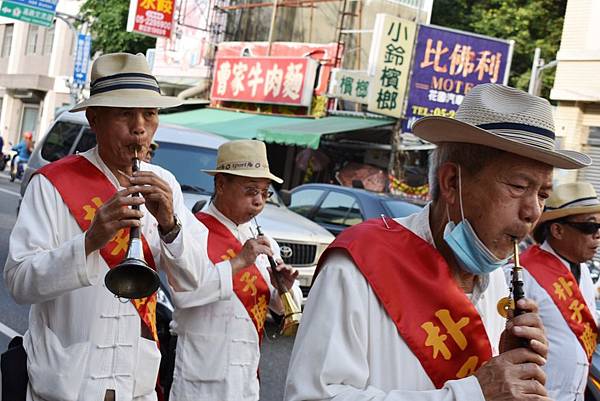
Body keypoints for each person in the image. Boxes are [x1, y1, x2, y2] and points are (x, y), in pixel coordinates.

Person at [284, 83, 592, 401]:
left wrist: (509, 373)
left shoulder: (500, 281)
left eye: (542, 194)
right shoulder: (359, 265)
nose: (532, 212)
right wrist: (473, 393)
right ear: (451, 182)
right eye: (517, 186)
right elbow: (312, 397)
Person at [3, 53, 212, 401]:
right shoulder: (53, 183)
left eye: (150, 113)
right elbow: (20, 283)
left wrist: (170, 226)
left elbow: (194, 284)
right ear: (94, 119)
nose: (140, 127)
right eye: (125, 114)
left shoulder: (166, 184)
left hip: (137, 384)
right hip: (64, 385)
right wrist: (89, 241)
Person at [168, 139, 303, 401]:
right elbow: (185, 295)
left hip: (246, 373)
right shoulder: (194, 232)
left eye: (265, 193)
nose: (259, 202)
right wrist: (239, 262)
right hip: (201, 375)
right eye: (251, 191)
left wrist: (284, 288)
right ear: (220, 184)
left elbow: (280, 308)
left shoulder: (263, 240)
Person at [512, 181, 600, 401]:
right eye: (590, 227)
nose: (597, 235)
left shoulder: (584, 273)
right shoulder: (522, 274)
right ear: (557, 230)